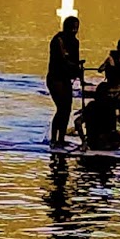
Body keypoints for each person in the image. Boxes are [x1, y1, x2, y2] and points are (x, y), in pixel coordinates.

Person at [46, 16, 83, 147]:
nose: (74, 30)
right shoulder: (58, 40)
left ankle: (61, 138)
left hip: (66, 78)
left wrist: (78, 69)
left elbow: (74, 60)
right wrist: (73, 67)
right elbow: (62, 60)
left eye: (76, 28)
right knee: (61, 108)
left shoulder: (75, 42)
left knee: (67, 109)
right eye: (72, 28)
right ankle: (54, 139)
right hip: (55, 78)